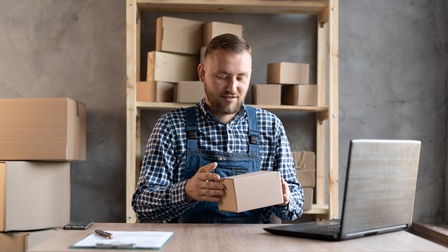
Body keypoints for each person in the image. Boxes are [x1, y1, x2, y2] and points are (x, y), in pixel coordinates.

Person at [132, 33, 304, 223]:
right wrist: (186, 191)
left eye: (241, 77)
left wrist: (286, 200)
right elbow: (142, 205)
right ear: (202, 73)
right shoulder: (171, 126)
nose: (232, 87)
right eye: (222, 76)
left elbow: (296, 206)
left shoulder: (270, 126)